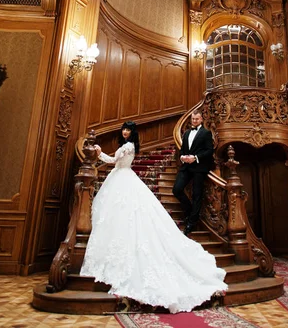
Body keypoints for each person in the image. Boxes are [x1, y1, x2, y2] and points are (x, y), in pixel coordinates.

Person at [80, 121, 227, 314]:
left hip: (122, 179)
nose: (124, 131)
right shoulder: (127, 145)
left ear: (132, 133)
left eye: (128, 129)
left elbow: (111, 161)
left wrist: (98, 152)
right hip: (120, 179)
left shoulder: (128, 146)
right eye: (123, 128)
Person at [172, 109, 213, 236]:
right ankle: (190, 212)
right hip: (186, 167)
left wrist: (195, 157)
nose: (194, 121)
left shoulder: (206, 133)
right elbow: (183, 150)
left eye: (197, 119)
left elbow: (209, 150)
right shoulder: (187, 133)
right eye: (193, 119)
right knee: (177, 189)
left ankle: (192, 222)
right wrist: (182, 157)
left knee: (197, 195)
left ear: (201, 119)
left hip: (199, 167)